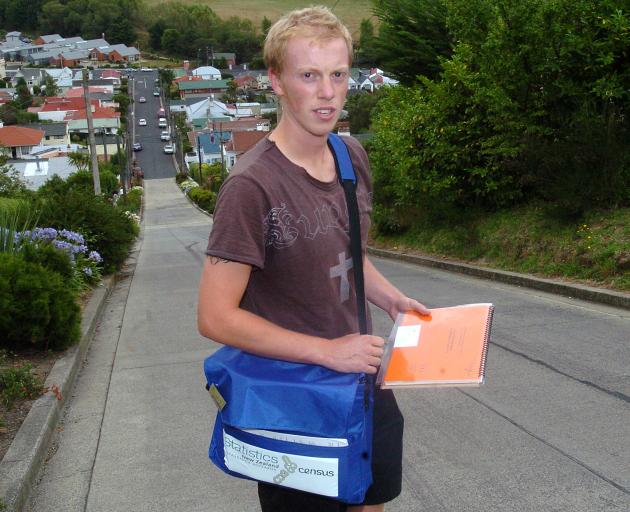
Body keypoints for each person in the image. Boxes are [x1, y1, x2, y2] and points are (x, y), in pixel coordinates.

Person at [197, 6, 430, 512]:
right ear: (276, 81)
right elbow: (215, 317)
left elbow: (348, 254)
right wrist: (327, 352)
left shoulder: (350, 156)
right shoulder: (251, 186)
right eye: (309, 75)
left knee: (373, 502)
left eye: (338, 75)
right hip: (294, 401)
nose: (327, 92)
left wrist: (394, 300)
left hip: (364, 386)